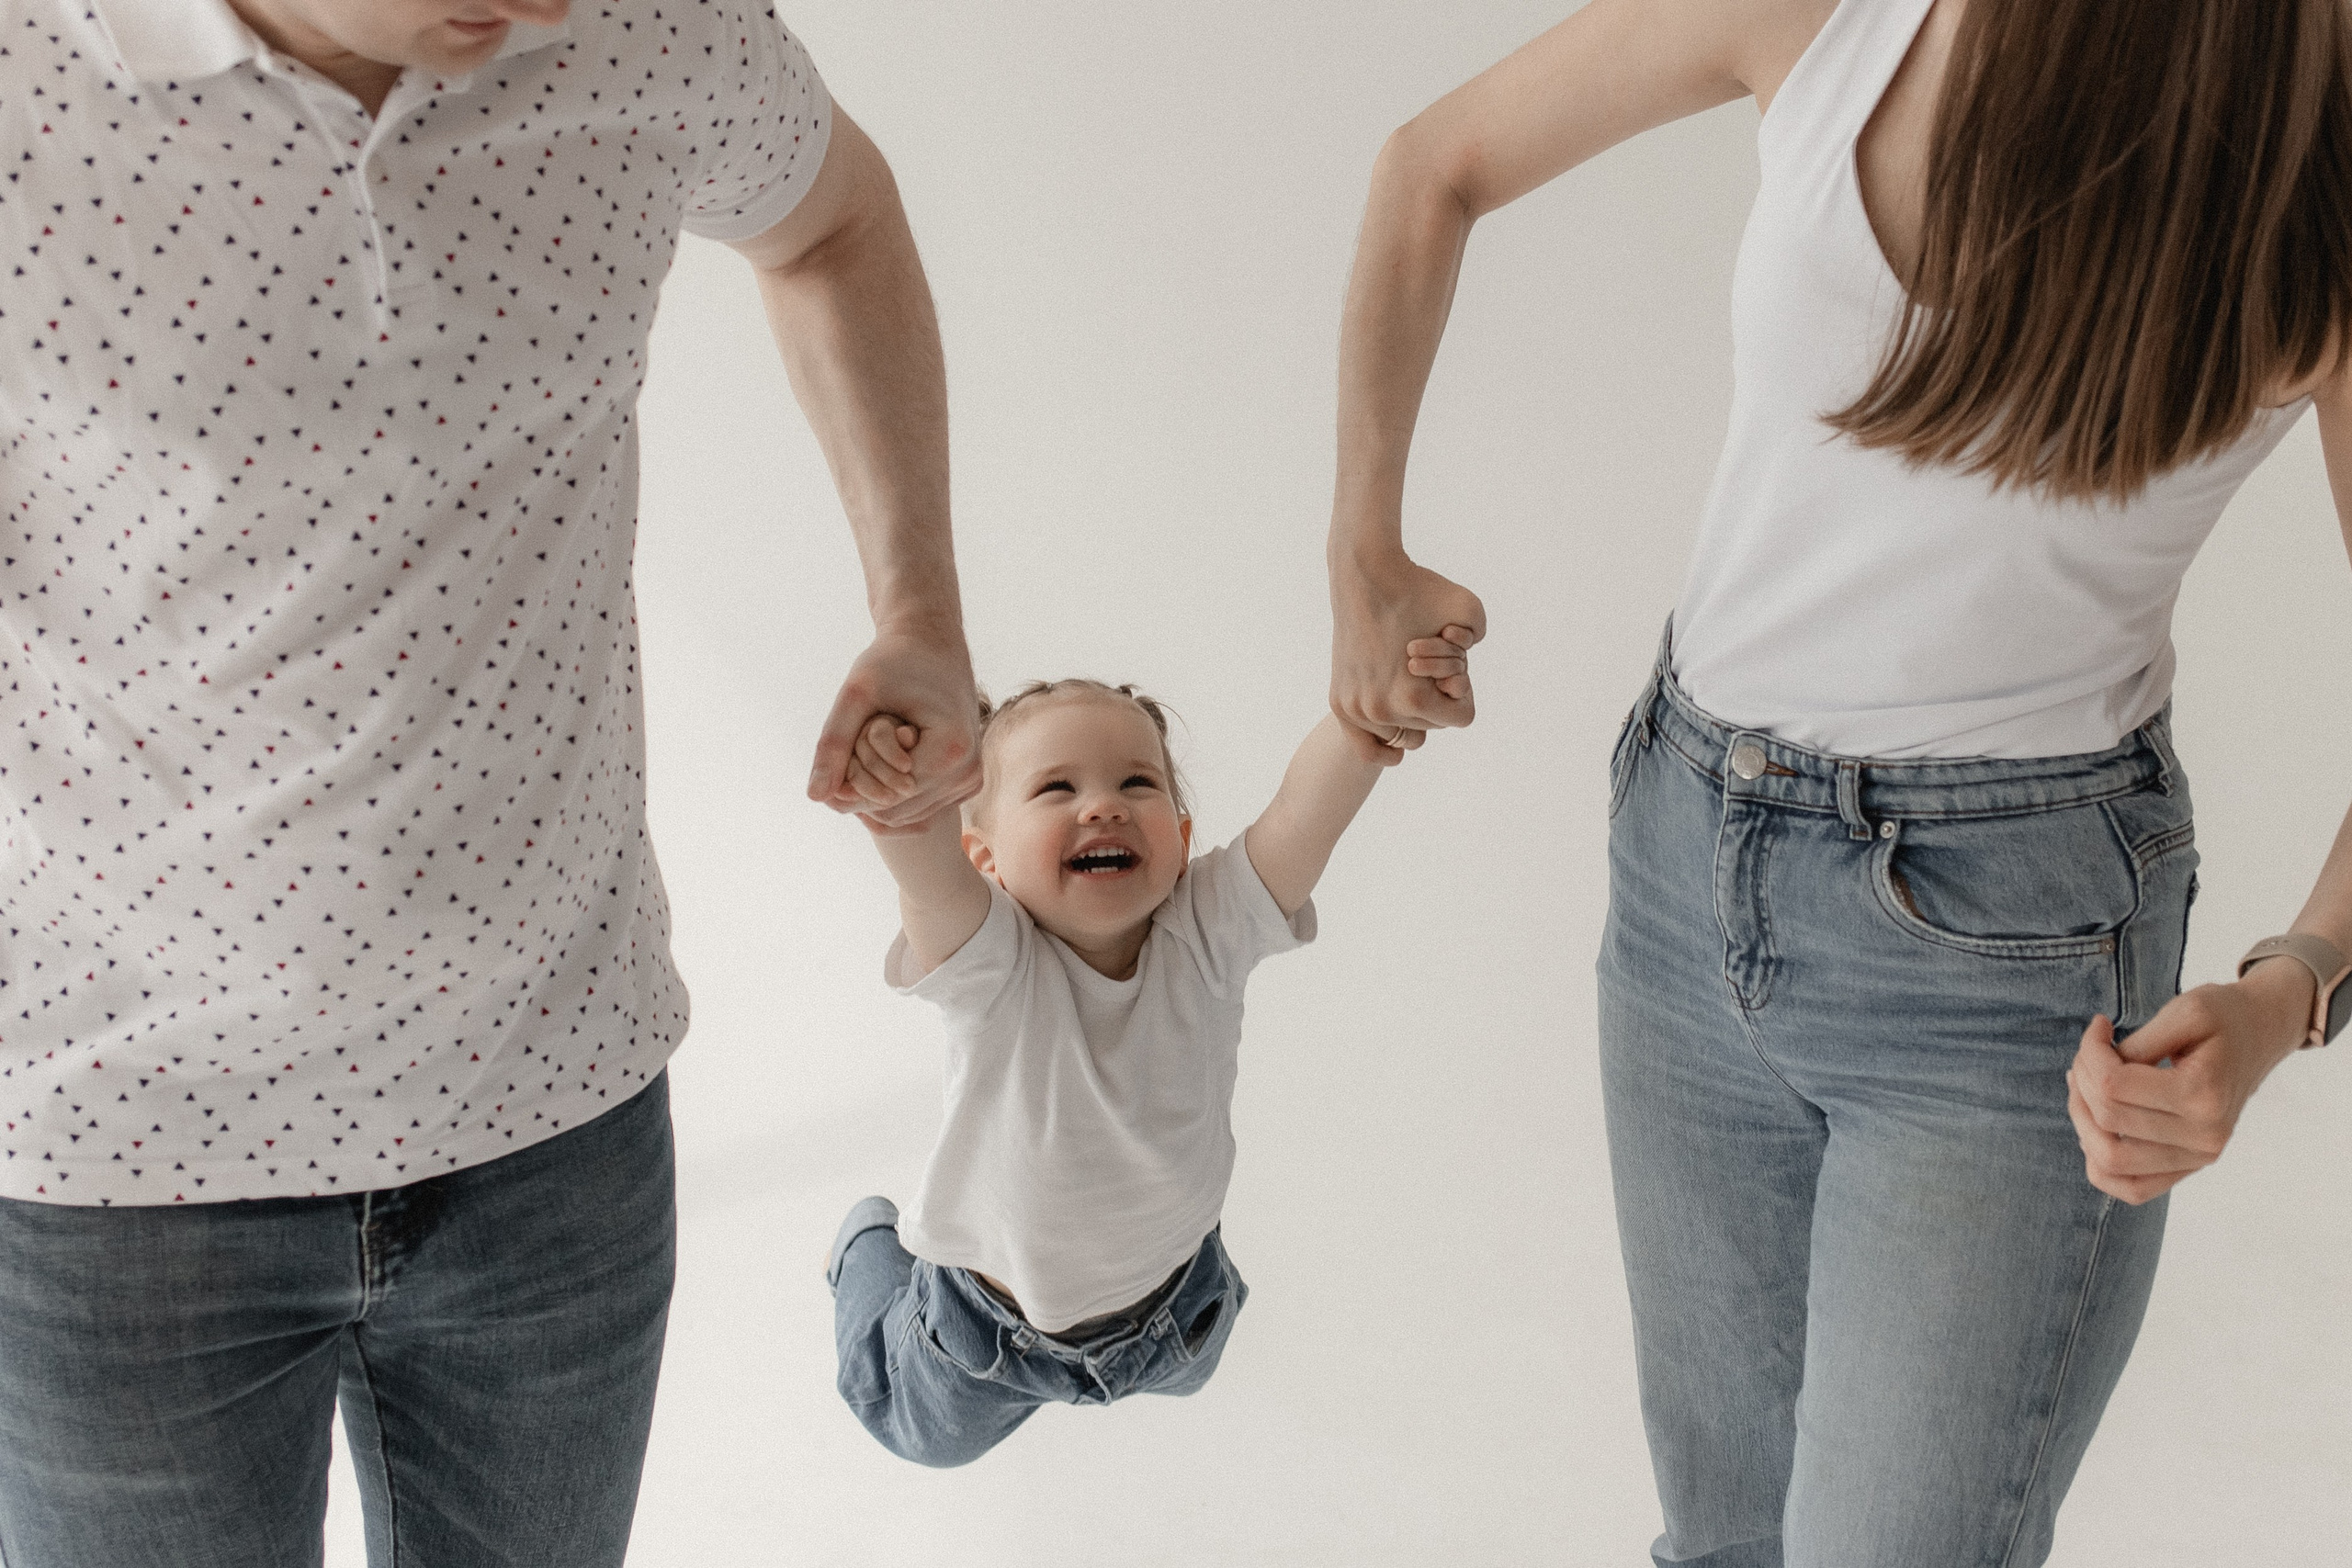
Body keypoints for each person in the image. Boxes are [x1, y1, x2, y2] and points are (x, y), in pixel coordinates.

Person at [1322, 0, 2351, 1562]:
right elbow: (1433, 163)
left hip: (2011, 973)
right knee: (1722, 1538)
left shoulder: (2325, 167)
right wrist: (1362, 552)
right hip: (1686, 855)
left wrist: (2293, 990)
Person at [0, 0, 978, 1562]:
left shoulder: (654, 31)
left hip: (553, 1122)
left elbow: (830, 223)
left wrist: (918, 606)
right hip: (114, 1162)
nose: (539, 9)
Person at [821, 676, 1424, 1465]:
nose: (1103, 805)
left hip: (1178, 1307)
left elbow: (1296, 822)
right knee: (916, 1429)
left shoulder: (1207, 932)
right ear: (987, 859)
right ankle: (867, 1241)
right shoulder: (993, 967)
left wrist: (1362, 724)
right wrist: (898, 791)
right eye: (1056, 787)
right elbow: (927, 880)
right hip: (986, 1331)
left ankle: (1144, 1359)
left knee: (1194, 1379)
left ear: (1180, 835)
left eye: (1136, 782)